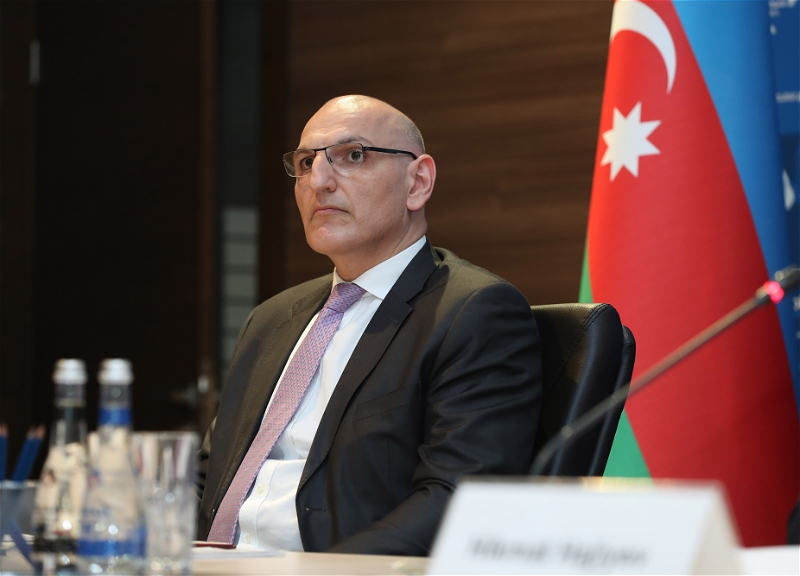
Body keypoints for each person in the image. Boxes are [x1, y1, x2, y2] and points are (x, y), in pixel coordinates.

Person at [196, 95, 542, 556]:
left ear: (418, 182)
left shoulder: (473, 312)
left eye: (353, 155)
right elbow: (209, 473)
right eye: (306, 163)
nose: (319, 181)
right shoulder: (272, 318)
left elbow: (458, 498)